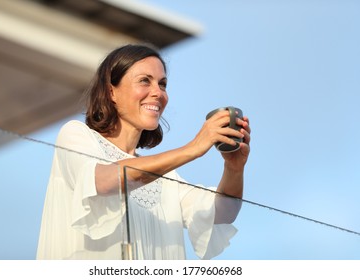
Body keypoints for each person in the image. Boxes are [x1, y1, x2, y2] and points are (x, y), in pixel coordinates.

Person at [36, 44, 251, 260]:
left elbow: (224, 212)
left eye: (163, 84)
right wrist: (193, 148)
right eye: (144, 81)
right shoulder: (75, 134)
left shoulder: (166, 177)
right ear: (111, 92)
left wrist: (234, 167)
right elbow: (103, 181)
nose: (158, 93)